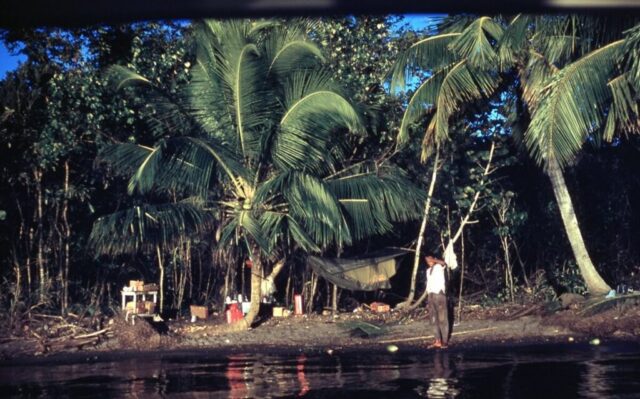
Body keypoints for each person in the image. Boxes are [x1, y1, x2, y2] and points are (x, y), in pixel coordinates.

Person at [425, 255, 450, 349]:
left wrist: (434, 260)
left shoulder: (439, 267)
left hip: (439, 295)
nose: (429, 261)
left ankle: (445, 342)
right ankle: (437, 341)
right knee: (433, 320)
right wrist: (427, 298)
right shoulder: (428, 271)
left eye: (430, 259)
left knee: (443, 319)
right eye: (427, 260)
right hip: (430, 296)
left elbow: (445, 263)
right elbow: (428, 285)